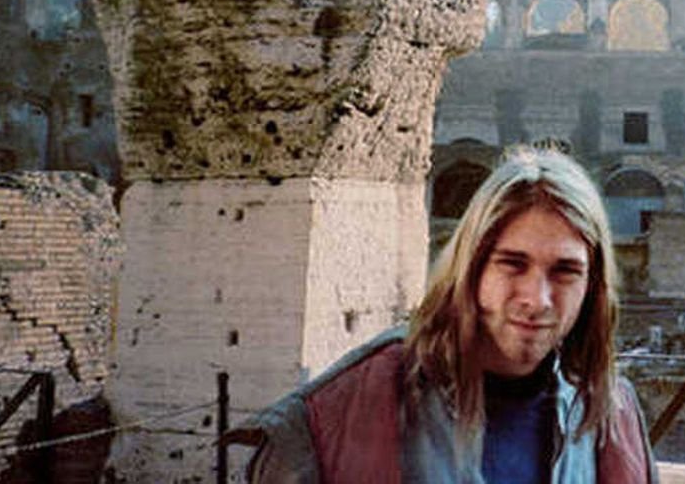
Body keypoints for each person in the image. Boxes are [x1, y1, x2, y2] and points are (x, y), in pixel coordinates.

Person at [242, 146, 657, 483]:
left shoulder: (609, 412)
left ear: (592, 285)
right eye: (512, 264)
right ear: (472, 268)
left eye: (565, 271)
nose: (537, 299)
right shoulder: (337, 414)